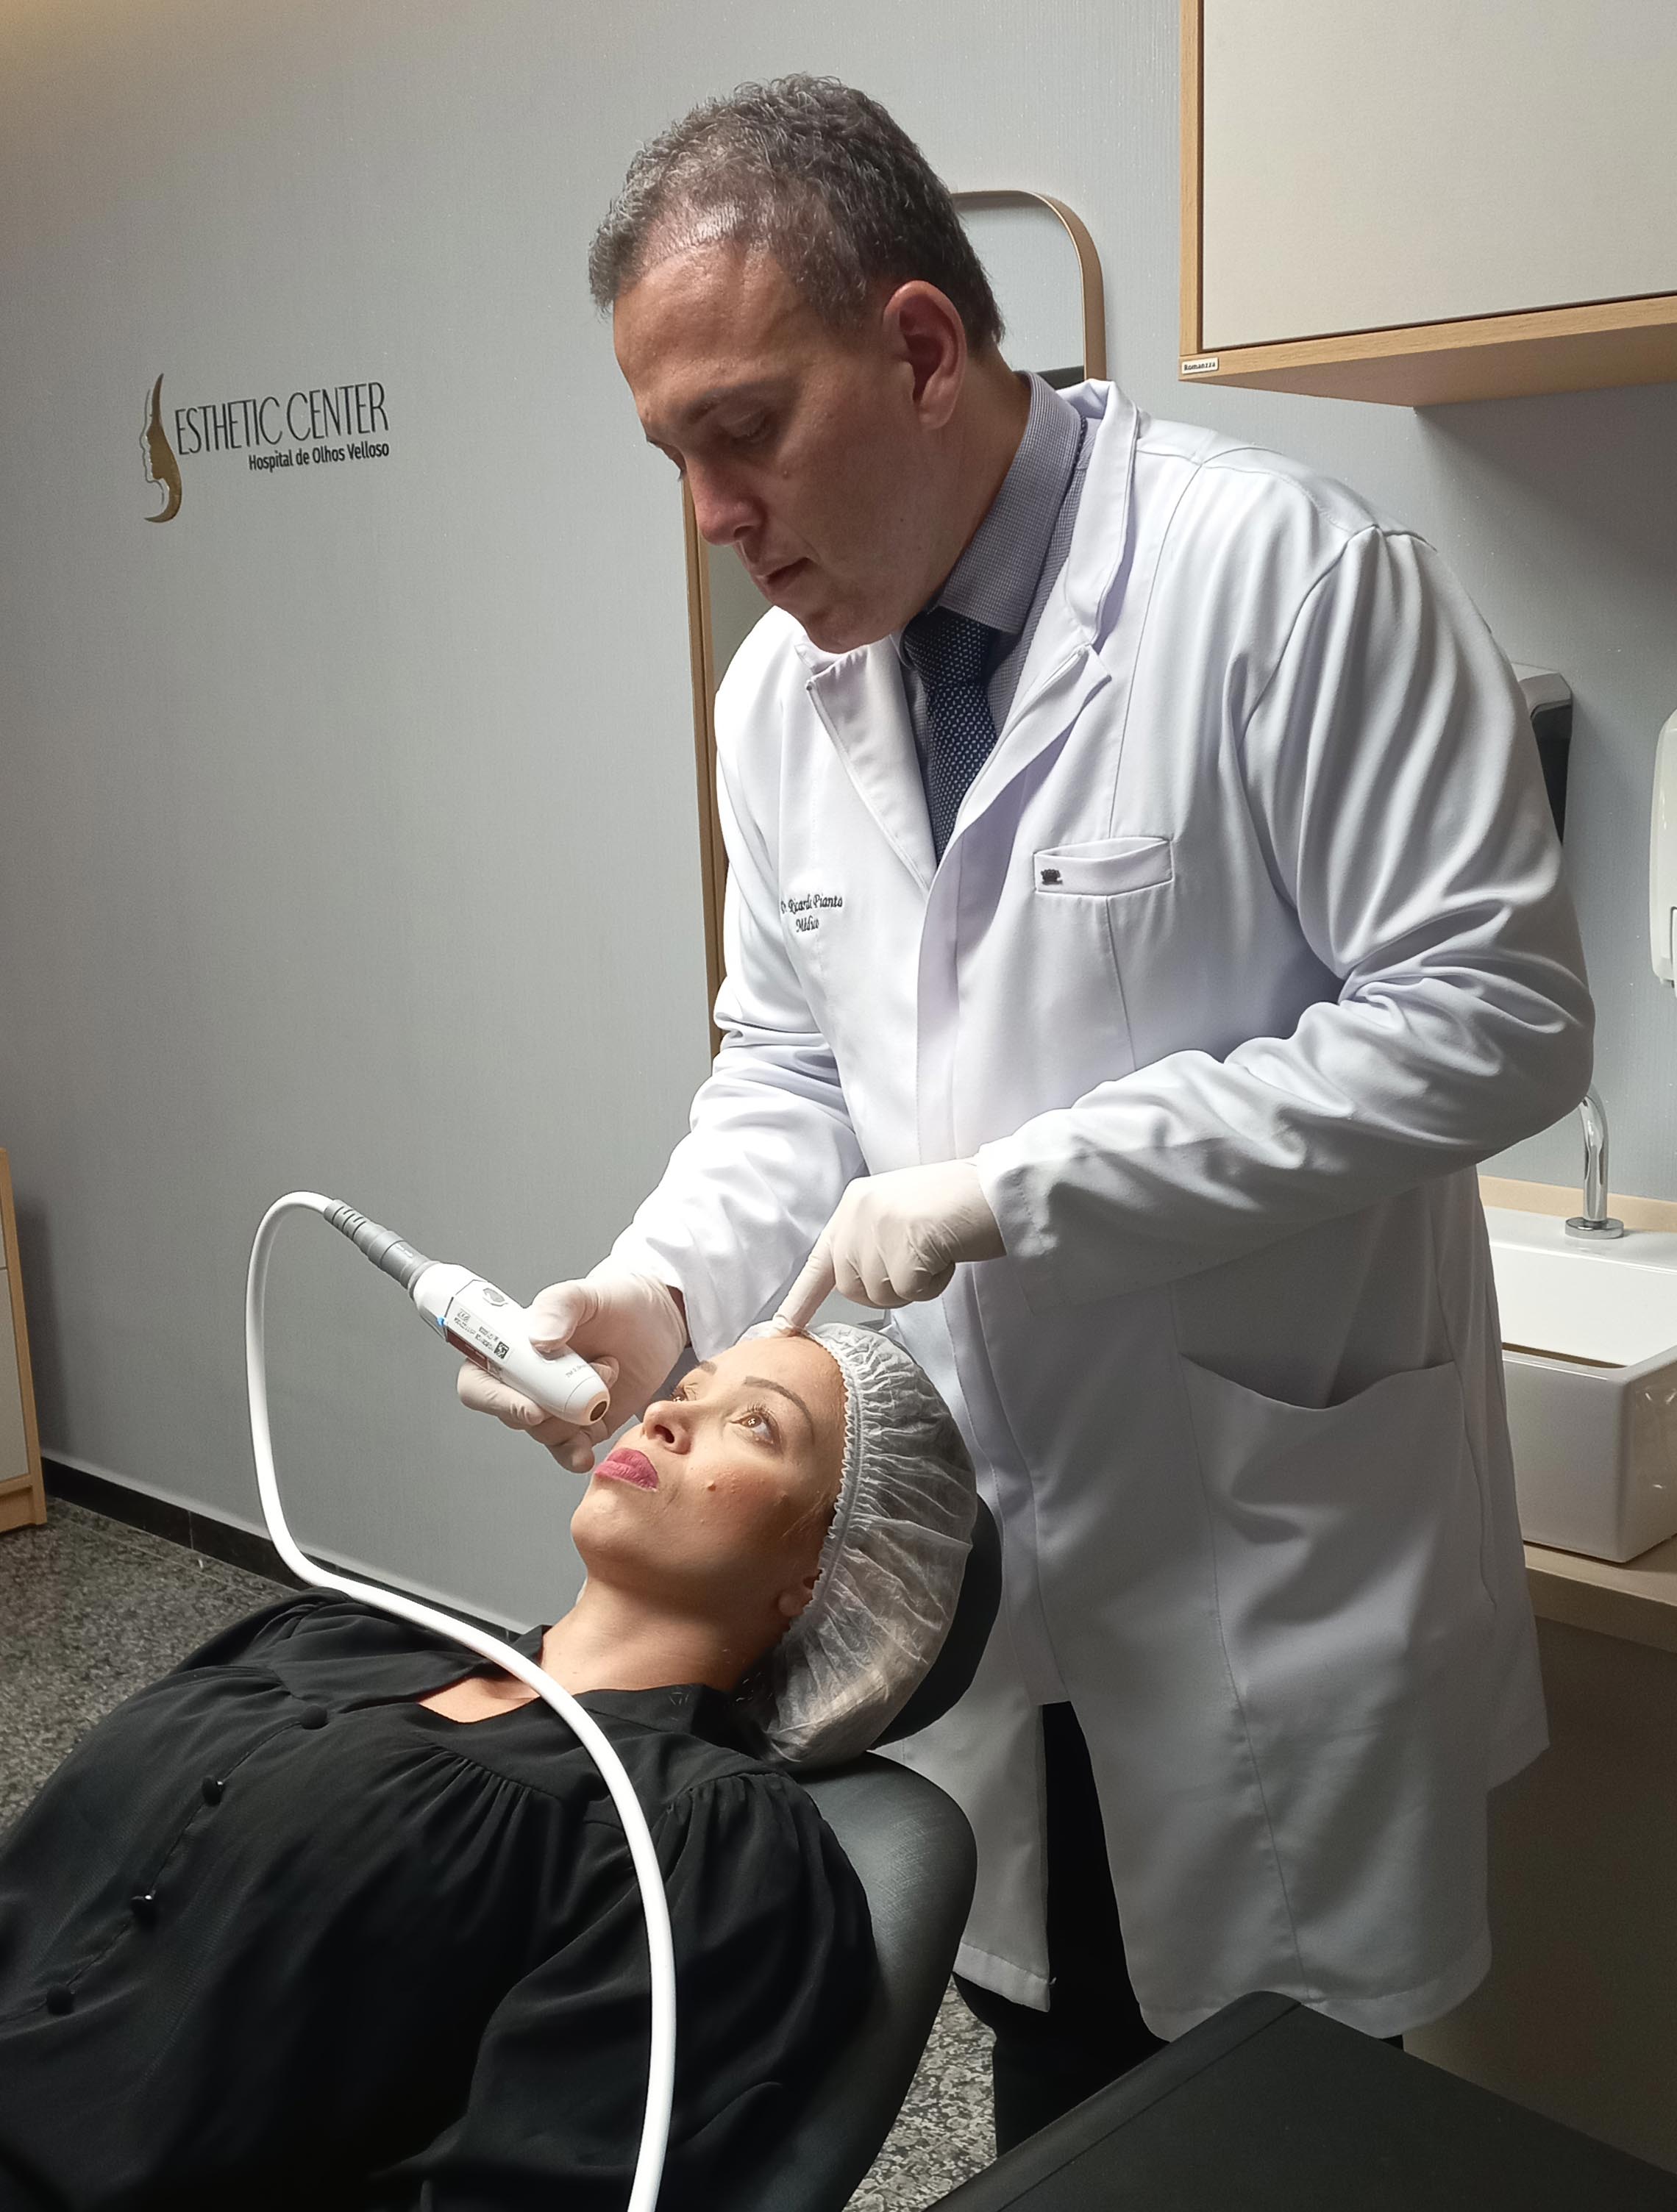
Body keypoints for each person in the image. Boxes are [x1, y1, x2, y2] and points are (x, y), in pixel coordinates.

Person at [460, 76, 1595, 2150]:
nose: (712, 513)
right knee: (1057, 2090)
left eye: (743, 429)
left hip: (1259, 1554)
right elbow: (788, 1068)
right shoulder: (780, 694)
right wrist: (656, 1287)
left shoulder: (1283, 584)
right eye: (672, 454)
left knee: (1283, 2122)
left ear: (918, 348)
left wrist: (1015, 1190)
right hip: (974, 1586)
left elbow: (1497, 1020)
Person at [0, 1324, 977, 2211]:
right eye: (691, 1388)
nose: (667, 1414)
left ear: (826, 1574)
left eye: (756, 1425)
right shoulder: (330, 1636)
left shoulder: (699, 1840)